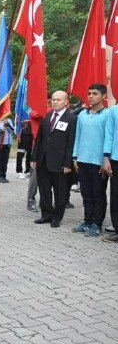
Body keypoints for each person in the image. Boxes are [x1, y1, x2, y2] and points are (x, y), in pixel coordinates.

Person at [32, 91, 77, 228]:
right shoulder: (46, 116)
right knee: (44, 189)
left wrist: (68, 163)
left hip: (60, 162)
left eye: (58, 99)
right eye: (53, 99)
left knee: (60, 191)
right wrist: (34, 157)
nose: (55, 102)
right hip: (43, 160)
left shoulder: (72, 118)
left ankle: (57, 217)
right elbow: (39, 138)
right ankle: (46, 215)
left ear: (66, 102)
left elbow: (71, 142)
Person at [71, 84, 109, 237]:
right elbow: (77, 137)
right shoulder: (82, 115)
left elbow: (108, 138)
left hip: (98, 162)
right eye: (89, 93)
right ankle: (87, 221)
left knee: (98, 194)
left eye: (95, 93)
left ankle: (96, 224)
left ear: (103, 96)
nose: (91, 96)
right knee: (86, 193)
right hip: (82, 160)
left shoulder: (107, 114)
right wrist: (75, 157)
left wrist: (105, 159)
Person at [101, 92, 118, 242]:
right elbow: (109, 135)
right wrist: (106, 158)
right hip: (116, 159)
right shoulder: (113, 111)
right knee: (116, 195)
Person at [0, 117, 15, 183]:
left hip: (7, 144)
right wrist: (0, 131)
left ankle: (4, 175)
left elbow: (12, 131)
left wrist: (7, 125)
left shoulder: (9, 120)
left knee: (5, 161)